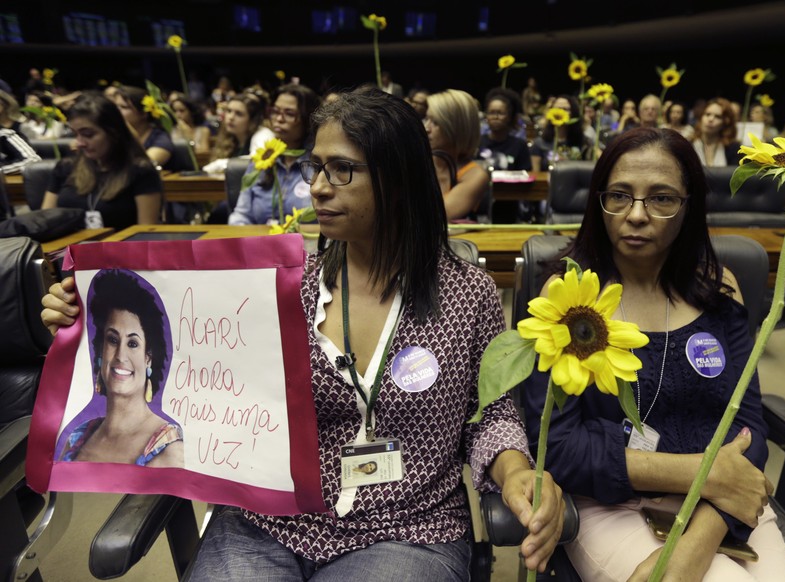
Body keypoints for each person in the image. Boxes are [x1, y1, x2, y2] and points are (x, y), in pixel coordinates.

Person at [42, 87, 565, 580]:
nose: (315, 186)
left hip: (407, 528)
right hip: (267, 519)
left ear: (398, 178)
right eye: (316, 167)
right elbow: (183, 373)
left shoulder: (467, 294)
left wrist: (515, 470)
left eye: (342, 170)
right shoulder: (276, 289)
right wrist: (81, 317)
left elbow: (490, 414)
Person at [522, 127, 785, 582]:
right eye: (619, 195)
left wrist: (704, 529)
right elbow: (559, 448)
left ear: (688, 206)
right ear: (598, 201)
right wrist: (703, 474)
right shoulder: (568, 301)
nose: (636, 215)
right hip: (612, 503)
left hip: (723, 500)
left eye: (662, 198)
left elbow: (749, 428)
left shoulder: (720, 290)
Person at [56, 269, 183, 467]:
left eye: (132, 344)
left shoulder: (170, 450)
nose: (120, 356)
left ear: (148, 358)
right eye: (113, 340)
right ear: (100, 351)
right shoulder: (77, 438)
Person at [41, 92, 162, 229]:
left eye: (88, 135)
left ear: (113, 132)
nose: (79, 143)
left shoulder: (140, 171)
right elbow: (45, 222)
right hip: (67, 249)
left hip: (119, 248)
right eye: (76, 134)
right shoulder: (65, 167)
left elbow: (146, 232)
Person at [228, 84, 321, 225]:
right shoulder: (261, 160)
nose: (279, 119)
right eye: (275, 111)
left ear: (308, 119)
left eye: (289, 114)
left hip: (307, 243)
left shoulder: (319, 164)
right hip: (260, 243)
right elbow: (241, 215)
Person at [426, 89, 491, 221]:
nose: (427, 128)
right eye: (427, 118)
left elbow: (438, 216)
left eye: (435, 122)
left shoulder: (476, 175)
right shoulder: (417, 162)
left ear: (456, 127)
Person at [203, 91, 274, 174]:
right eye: (229, 111)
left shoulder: (263, 134)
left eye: (239, 114)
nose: (231, 117)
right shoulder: (229, 136)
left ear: (252, 120)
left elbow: (259, 160)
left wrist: (218, 165)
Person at [114, 85, 176, 171]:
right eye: (116, 107)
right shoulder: (116, 135)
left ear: (144, 114)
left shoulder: (160, 138)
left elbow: (145, 166)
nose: (116, 111)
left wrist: (126, 127)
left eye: (124, 107)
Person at [478, 87, 532, 171]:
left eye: (500, 113)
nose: (495, 117)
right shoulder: (477, 143)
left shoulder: (519, 146)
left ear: (509, 117)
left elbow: (525, 175)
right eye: (491, 113)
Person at [530, 94, 588, 172]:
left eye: (566, 109)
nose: (561, 112)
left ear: (573, 113)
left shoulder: (584, 142)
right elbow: (536, 174)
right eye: (558, 108)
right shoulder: (539, 143)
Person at [691, 97, 741, 167]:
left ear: (726, 122)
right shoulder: (689, 144)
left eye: (718, 117)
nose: (710, 119)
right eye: (707, 114)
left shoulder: (733, 147)